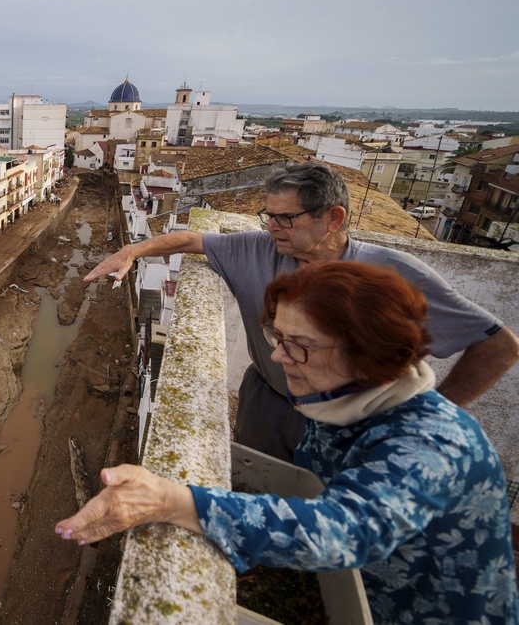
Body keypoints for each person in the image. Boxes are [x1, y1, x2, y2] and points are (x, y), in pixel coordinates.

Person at [58, 261, 519, 624]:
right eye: (277, 335)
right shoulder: (339, 398)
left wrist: (171, 501)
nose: (278, 356)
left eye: (300, 344)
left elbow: (342, 531)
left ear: (368, 354)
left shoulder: (436, 445)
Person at [85, 160, 519, 461]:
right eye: (267, 215)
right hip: (268, 405)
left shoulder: (391, 273)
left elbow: (499, 346)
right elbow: (189, 240)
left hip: (354, 425)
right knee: (256, 487)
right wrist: (132, 251)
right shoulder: (258, 248)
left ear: (333, 218)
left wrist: (432, 414)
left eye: (286, 218)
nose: (272, 227)